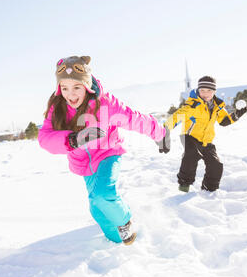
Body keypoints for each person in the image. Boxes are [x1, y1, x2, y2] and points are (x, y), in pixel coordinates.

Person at [38, 55, 167, 245]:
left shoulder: (106, 103)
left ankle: (124, 221)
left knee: (103, 194)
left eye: (76, 87)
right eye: (64, 88)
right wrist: (73, 140)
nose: (70, 95)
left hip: (108, 153)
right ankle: (118, 243)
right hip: (82, 162)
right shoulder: (58, 108)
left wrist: (160, 134)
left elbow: (134, 119)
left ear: (87, 85)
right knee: (96, 209)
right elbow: (45, 138)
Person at [159, 75, 247, 193]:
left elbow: (223, 121)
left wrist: (236, 115)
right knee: (191, 156)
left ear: (214, 91)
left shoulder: (218, 106)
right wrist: (165, 132)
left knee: (216, 165)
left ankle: (209, 189)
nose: (205, 93)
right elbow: (176, 118)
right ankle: (184, 186)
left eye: (209, 90)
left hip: (207, 140)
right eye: (202, 90)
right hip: (190, 137)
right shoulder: (192, 105)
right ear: (198, 90)